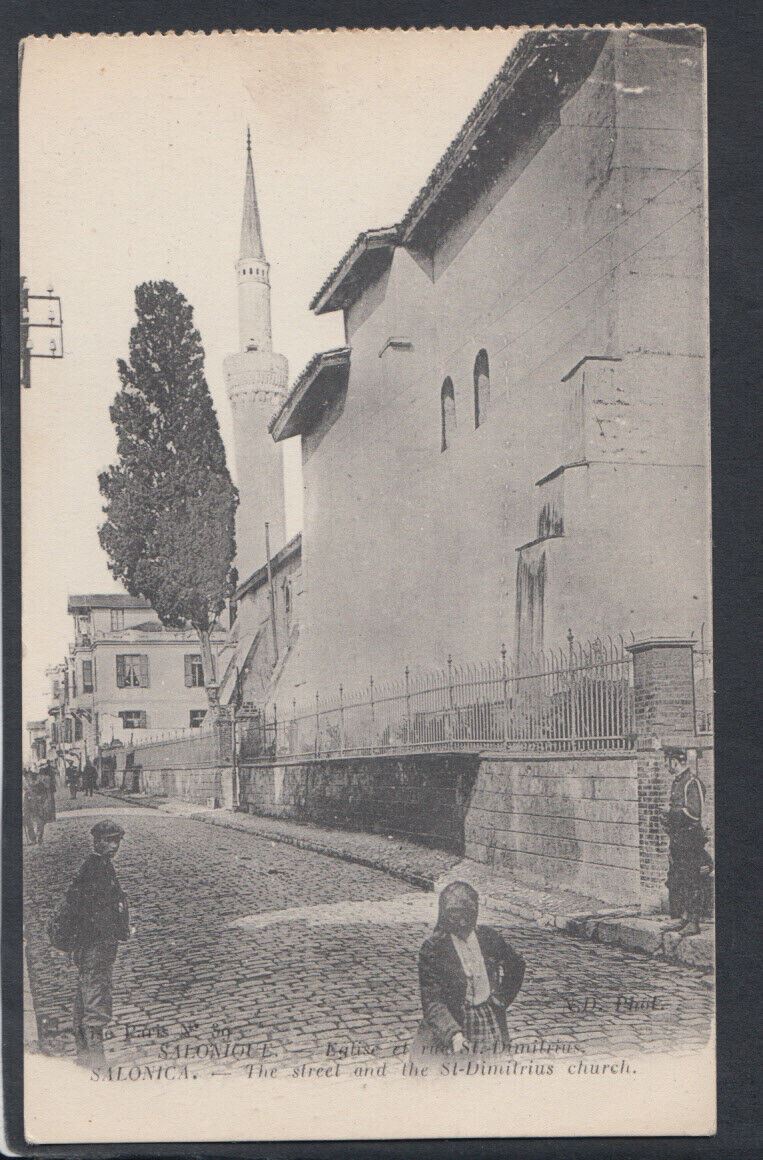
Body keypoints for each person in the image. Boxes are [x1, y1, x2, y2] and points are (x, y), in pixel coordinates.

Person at [416, 881, 525, 1056]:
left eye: (468, 916)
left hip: (488, 1022)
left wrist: (501, 998)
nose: (462, 923)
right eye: (455, 916)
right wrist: (453, 1033)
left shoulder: (488, 937)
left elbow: (516, 965)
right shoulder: (434, 948)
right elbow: (432, 1000)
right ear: (444, 915)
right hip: (453, 1024)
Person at [64, 819, 130, 1067]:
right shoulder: (93, 870)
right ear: (96, 841)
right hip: (95, 945)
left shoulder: (102, 866)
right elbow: (79, 908)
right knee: (95, 999)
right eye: (108, 841)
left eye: (117, 841)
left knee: (84, 996)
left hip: (96, 944)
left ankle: (84, 1055)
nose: (114, 846)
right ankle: (97, 1062)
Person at [662, 748, 708, 934]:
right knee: (679, 878)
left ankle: (694, 922)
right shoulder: (678, 782)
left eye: (667, 761)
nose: (665, 765)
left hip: (691, 840)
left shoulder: (691, 782)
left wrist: (669, 812)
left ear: (675, 761)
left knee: (692, 878)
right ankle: (684, 918)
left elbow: (694, 813)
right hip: (679, 839)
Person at [23, 768, 50, 845]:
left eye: (30, 775)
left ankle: (39, 837)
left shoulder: (40, 784)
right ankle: (33, 839)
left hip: (38, 805)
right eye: (27, 775)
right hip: (28, 804)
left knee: (40, 821)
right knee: (28, 821)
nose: (29, 777)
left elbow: (45, 795)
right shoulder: (25, 784)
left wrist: (42, 800)